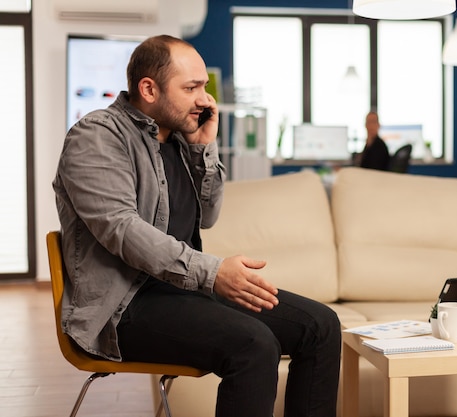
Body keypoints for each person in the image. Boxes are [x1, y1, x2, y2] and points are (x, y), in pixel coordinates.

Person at [53, 35, 341, 417]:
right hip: (124, 307)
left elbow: (208, 215)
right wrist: (213, 272)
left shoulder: (177, 137)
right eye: (190, 88)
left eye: (204, 86)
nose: (204, 100)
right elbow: (122, 229)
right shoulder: (97, 137)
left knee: (321, 326)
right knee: (254, 344)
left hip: (179, 290)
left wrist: (203, 147)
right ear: (149, 88)